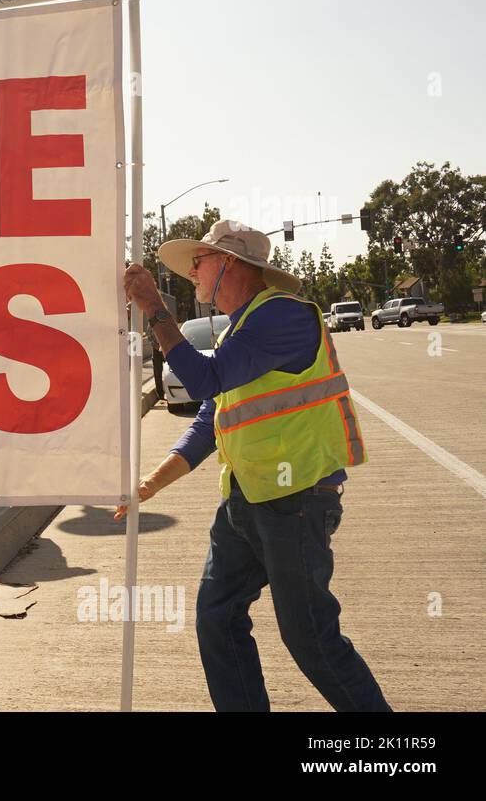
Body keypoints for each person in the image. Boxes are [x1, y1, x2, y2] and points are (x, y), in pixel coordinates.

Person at [120, 219, 390, 712]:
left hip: (297, 502)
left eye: (197, 264)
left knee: (310, 638)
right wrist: (150, 484)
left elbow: (203, 382)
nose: (191, 276)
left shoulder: (282, 317)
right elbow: (211, 419)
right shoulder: (241, 329)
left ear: (230, 264)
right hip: (246, 500)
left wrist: (154, 309)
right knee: (217, 619)